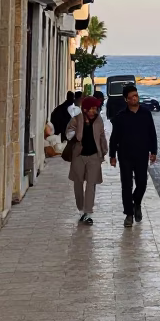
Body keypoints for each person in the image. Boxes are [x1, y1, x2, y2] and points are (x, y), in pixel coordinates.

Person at [109, 84, 158, 228]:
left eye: (136, 96)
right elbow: (114, 138)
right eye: (131, 97)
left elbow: (152, 133)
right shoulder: (120, 117)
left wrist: (153, 151)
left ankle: (136, 202)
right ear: (126, 99)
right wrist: (112, 155)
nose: (134, 99)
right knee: (126, 185)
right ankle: (129, 214)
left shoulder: (146, 113)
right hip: (125, 155)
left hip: (142, 154)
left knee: (142, 183)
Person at [66, 96, 109, 225]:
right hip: (79, 156)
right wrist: (76, 134)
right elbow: (68, 131)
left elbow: (102, 136)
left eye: (95, 108)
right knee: (78, 183)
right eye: (92, 108)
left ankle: (88, 212)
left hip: (94, 156)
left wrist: (104, 151)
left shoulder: (98, 120)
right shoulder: (77, 118)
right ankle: (81, 210)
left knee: (91, 184)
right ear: (85, 109)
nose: (94, 111)